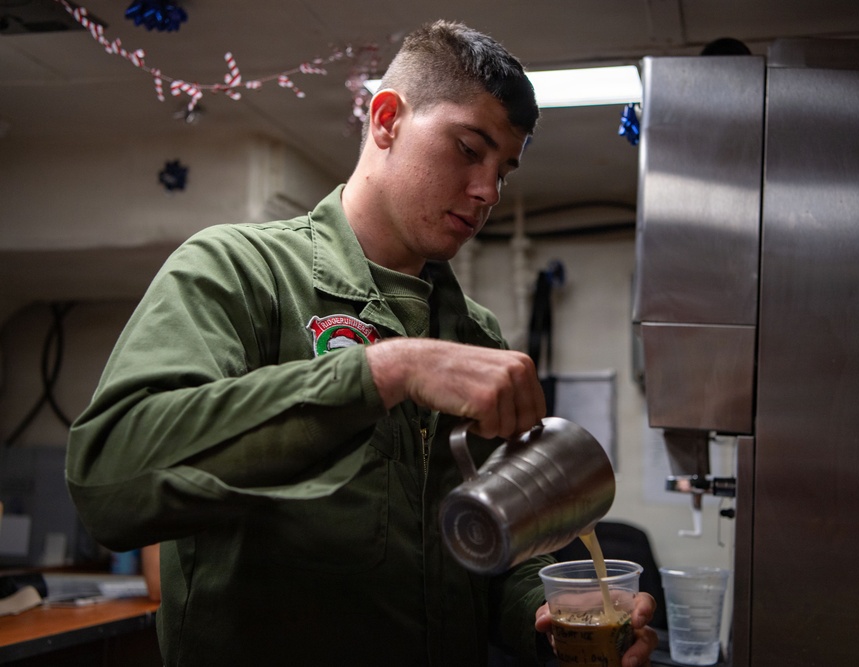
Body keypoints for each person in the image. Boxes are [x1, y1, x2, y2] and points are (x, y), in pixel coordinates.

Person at [66, 20, 657, 667]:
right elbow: (108, 481)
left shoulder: (475, 334)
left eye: (504, 169)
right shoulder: (236, 273)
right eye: (468, 148)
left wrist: (540, 617)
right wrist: (383, 370)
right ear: (385, 119)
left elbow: (494, 546)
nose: (488, 191)